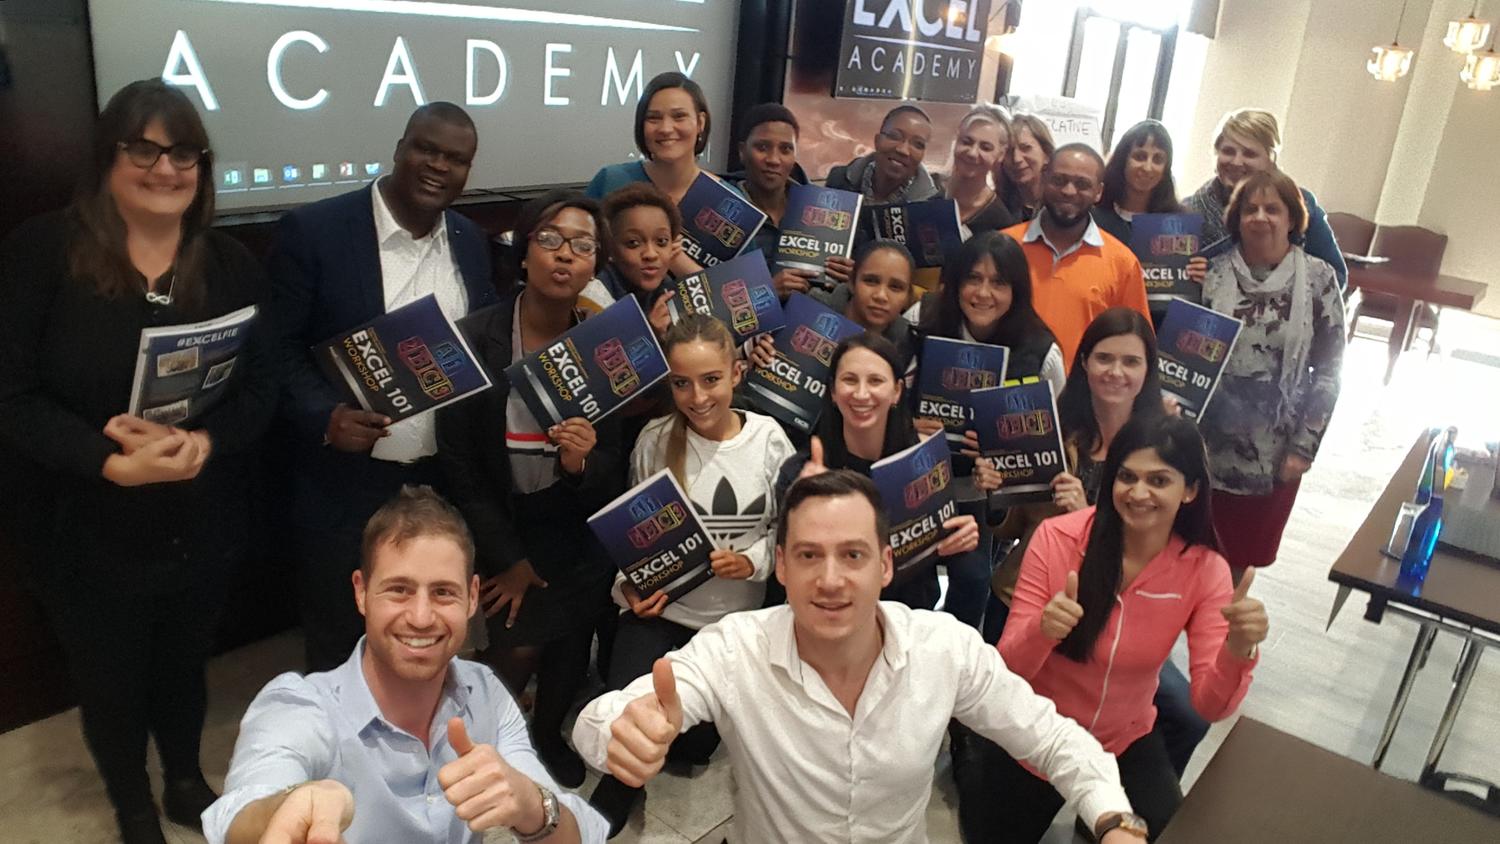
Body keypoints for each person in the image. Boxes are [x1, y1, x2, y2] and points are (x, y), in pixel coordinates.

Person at [573, 469, 1147, 844]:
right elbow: (598, 722)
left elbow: (1051, 737)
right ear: (781, 566)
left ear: (885, 565)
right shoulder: (736, 649)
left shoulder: (943, 649)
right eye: (808, 555)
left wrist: (1115, 818)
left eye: (852, 555)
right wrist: (620, 730)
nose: (830, 580)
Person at [0, 79, 277, 844]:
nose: (166, 169)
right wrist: (104, 461)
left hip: (197, 517)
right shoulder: (41, 252)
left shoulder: (229, 263)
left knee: (184, 664)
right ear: (106, 158)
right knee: (110, 678)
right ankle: (131, 806)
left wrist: (208, 443)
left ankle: (184, 780)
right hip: (81, 522)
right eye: (144, 150)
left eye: (184, 152)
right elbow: (11, 395)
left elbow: (263, 387)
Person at [201, 485, 607, 844]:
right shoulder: (300, 706)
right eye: (399, 590)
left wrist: (533, 805)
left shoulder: (485, 692)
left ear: (472, 598)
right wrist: (287, 808)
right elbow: (239, 812)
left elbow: (578, 834)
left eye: (443, 592)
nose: (421, 617)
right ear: (361, 592)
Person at [269, 101, 496, 672]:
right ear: (399, 149)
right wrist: (325, 417)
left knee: (424, 635)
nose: (438, 166)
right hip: (346, 482)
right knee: (339, 643)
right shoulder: (316, 231)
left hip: (441, 480)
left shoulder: (470, 240)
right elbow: (274, 348)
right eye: (427, 149)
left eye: (456, 159)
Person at [965, 414, 1267, 843]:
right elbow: (1006, 671)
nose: (1139, 493)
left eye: (1159, 480)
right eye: (1127, 477)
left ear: (1190, 490)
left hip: (1124, 739)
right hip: (1036, 735)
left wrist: (1237, 651)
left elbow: (1210, 706)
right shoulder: (1058, 538)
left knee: (1168, 831)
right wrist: (1043, 629)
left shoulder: (1204, 569)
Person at [436, 190, 624, 789]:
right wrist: (508, 559)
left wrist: (580, 464)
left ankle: (546, 734)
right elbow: (460, 463)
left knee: (572, 640)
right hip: (503, 521)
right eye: (549, 240)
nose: (564, 255)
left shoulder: (604, 348)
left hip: (572, 520)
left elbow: (614, 461)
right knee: (518, 644)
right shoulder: (474, 338)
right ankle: (477, 742)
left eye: (582, 246)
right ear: (523, 254)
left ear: (595, 267)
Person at [587, 314, 794, 835]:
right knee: (630, 726)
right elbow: (632, 535)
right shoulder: (654, 440)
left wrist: (754, 562)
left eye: (711, 380)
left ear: (737, 374)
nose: (698, 397)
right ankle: (616, 793)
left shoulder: (769, 439)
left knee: (693, 749)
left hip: (732, 626)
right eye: (682, 383)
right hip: (663, 614)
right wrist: (628, 589)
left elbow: (790, 531)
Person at [905, 230, 1064, 630]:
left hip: (981, 492)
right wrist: (907, 425)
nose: (983, 293)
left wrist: (1003, 451)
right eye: (973, 279)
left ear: (1017, 290)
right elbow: (882, 390)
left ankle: (958, 653)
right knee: (909, 580)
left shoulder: (1041, 350)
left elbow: (1052, 434)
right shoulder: (921, 320)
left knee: (973, 579)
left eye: (999, 282)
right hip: (915, 477)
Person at [1196, 169, 1344, 576]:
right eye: (1250, 209)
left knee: (1237, 566)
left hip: (1274, 453)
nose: (1260, 217)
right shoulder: (1210, 273)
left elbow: (1329, 369)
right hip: (1203, 449)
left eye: (1272, 209)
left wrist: (1304, 448)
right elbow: (1184, 357)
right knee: (1188, 555)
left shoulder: (1319, 279)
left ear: (1292, 218)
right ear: (1237, 218)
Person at [773, 333, 986, 612]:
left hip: (910, 620)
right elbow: (786, 569)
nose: (862, 394)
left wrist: (962, 537)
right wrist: (802, 505)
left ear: (897, 391)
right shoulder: (801, 471)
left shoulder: (924, 460)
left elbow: (959, 564)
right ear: (833, 391)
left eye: (875, 381)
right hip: (831, 612)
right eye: (850, 380)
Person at [1001, 143, 1149, 368]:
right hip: (1008, 384)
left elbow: (1135, 345)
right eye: (1059, 180)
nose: (1069, 191)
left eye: (1082, 184)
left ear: (1098, 192)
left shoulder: (1123, 263)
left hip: (1082, 388)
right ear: (1043, 180)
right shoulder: (1004, 245)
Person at [1183, 108, 1347, 289]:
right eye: (1228, 151)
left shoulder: (1301, 205)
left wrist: (1269, 280)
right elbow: (1170, 281)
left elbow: (1335, 279)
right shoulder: (1186, 211)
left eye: (1249, 154)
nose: (1236, 162)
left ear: (1271, 159)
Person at [584, 72, 718, 278]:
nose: (665, 128)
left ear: (701, 122)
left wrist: (681, 264)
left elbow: (747, 291)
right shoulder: (611, 180)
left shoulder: (730, 203)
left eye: (679, 116)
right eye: (654, 118)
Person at [727, 102, 855, 298]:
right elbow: (707, 296)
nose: (773, 159)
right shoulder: (722, 209)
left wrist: (851, 280)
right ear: (742, 151)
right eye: (762, 147)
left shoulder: (823, 210)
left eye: (785, 149)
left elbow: (837, 295)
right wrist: (766, 292)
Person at [811, 238, 920, 377]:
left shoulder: (909, 346)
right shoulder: (808, 308)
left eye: (895, 287)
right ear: (852, 282)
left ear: (908, 297)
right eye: (871, 281)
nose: (881, 296)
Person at [825, 104, 939, 205]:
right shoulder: (839, 180)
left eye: (918, 144)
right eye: (895, 136)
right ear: (877, 140)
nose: (903, 150)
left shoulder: (934, 202)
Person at [940, 105, 1017, 234]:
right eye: (966, 142)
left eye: (985, 148)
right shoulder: (929, 192)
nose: (972, 153)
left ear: (1001, 154)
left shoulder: (1000, 222)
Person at [1000, 114, 1055, 222]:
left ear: (1047, 154)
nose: (1016, 159)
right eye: (1009, 151)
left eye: (1026, 148)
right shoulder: (997, 208)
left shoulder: (1060, 204)